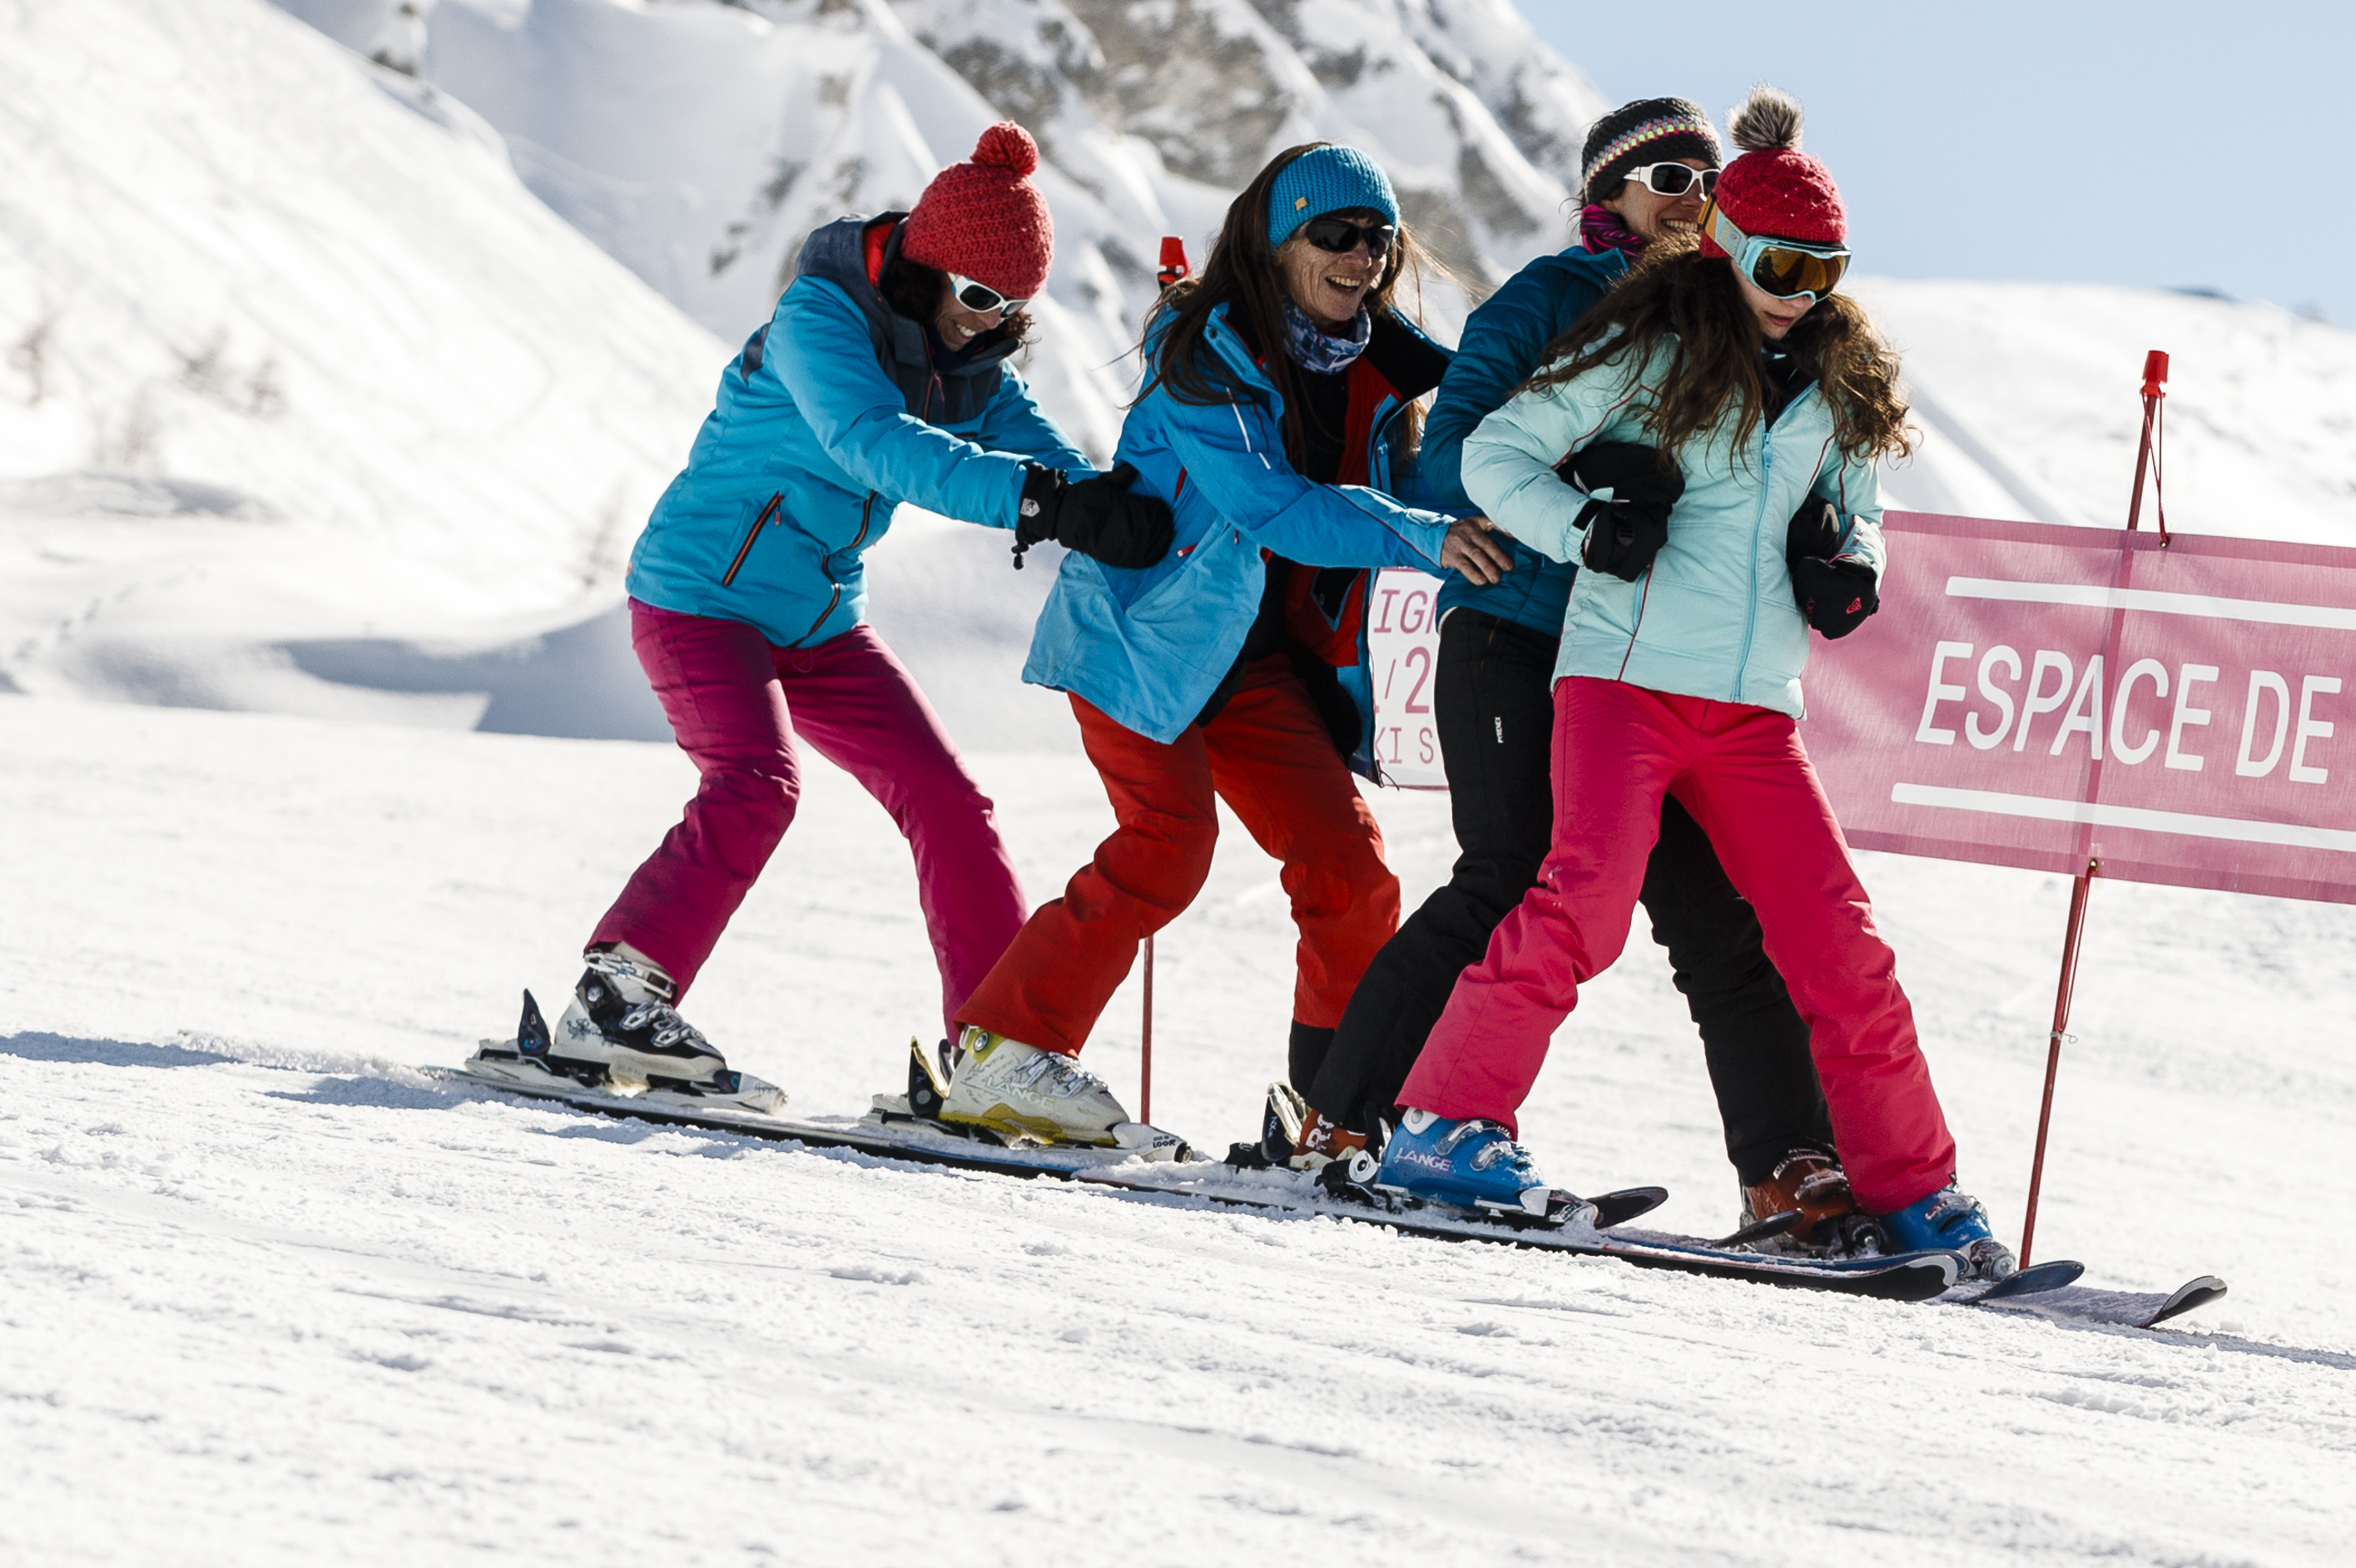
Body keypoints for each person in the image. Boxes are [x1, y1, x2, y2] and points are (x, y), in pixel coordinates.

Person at [1374, 92, 2002, 1278]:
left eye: (1823, 266)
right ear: (1725, 245)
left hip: (1758, 710)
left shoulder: (1837, 384)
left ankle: (1912, 1191)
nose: (1796, 287)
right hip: (1622, 681)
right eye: (1776, 259)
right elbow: (1491, 451)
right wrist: (1583, 530)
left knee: (1841, 946)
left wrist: (1847, 567)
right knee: (1582, 905)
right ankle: (1444, 1131)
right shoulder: (1645, 347)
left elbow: (1858, 508)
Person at [1307, 100, 1842, 1216]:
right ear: (1609, 194)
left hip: (1656, 664)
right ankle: (1345, 1117)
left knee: (1721, 916)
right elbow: (1448, 456)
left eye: (1704, 177)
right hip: (1519, 627)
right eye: (1663, 177)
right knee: (1510, 875)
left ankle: (1789, 1175)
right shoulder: (1549, 298)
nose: (1689, 198)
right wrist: (1588, 491)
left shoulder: (1735, 321)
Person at [564, 122, 1168, 1086]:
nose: (987, 322)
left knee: (950, 801)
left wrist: (1128, 511)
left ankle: (993, 1045)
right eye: (976, 297)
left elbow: (1046, 451)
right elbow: (871, 443)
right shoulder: (821, 318)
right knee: (757, 781)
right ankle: (619, 996)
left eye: (1012, 309)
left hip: (820, 623)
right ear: (925, 269)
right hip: (699, 598)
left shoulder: (966, 360)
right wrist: (1044, 505)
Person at [937, 140, 1498, 1144]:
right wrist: (1424, 535)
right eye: (1336, 234)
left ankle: (1338, 1109)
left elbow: (1421, 490)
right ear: (1280, 242)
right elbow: (1273, 505)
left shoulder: (1377, 361)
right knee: (1168, 843)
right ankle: (1002, 1049)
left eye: (1379, 237)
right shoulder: (1205, 357)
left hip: (1253, 663)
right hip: (1141, 640)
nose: (1363, 255)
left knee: (1349, 867)